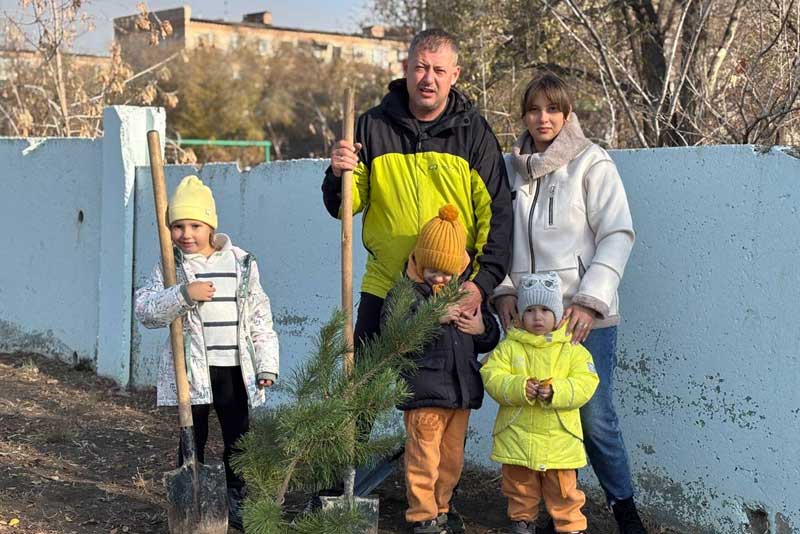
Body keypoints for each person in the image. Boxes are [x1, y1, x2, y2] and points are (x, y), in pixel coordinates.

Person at [491, 72, 644, 533]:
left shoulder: (591, 163)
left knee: (595, 418)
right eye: (534, 109)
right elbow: (493, 238)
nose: (543, 118)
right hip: (527, 318)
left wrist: (590, 301)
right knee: (531, 411)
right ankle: (546, 515)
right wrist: (503, 292)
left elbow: (617, 234)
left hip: (582, 319)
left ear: (567, 114)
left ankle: (624, 509)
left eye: (553, 109)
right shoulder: (507, 168)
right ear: (522, 114)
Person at [321, 27, 512, 347]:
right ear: (406, 68)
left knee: (445, 394)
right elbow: (344, 207)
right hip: (384, 288)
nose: (428, 79)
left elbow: (498, 215)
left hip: (448, 291)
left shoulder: (473, 133)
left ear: (455, 75)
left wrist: (480, 285)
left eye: (439, 70)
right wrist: (338, 174)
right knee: (366, 393)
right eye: (421, 67)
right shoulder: (371, 126)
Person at [134, 175, 280, 531]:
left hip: (233, 368)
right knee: (191, 435)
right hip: (193, 371)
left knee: (238, 437)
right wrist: (184, 294)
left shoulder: (241, 263)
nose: (186, 234)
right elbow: (146, 311)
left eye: (195, 225)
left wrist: (267, 363)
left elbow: (259, 316)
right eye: (177, 226)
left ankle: (235, 496)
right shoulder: (171, 267)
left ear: (211, 224)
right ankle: (191, 498)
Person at [383, 205, 501, 534]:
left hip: (460, 395)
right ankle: (422, 515)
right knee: (423, 457)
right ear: (420, 260)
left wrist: (482, 329)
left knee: (451, 461)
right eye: (433, 269)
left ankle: (442, 509)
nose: (440, 278)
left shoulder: (467, 294)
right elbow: (395, 336)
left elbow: (489, 336)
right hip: (424, 394)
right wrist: (431, 317)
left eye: (447, 272)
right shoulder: (405, 294)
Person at [481, 272, 598, 534]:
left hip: (559, 439)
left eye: (545, 309)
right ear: (520, 313)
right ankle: (522, 521)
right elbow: (492, 375)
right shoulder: (509, 347)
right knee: (519, 486)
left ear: (558, 313)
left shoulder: (573, 349)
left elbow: (586, 382)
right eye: (530, 309)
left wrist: (556, 391)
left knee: (564, 490)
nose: (537, 317)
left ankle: (570, 526)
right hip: (517, 436)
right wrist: (519, 386)